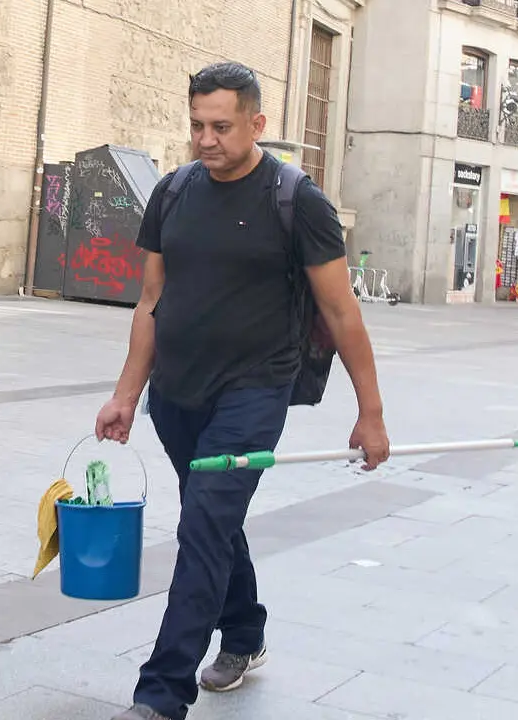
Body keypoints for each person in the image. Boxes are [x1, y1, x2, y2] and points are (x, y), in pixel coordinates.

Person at [94, 61, 390, 720]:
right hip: (176, 393)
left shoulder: (297, 200)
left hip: (255, 392)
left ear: (257, 123)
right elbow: (150, 299)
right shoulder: (172, 191)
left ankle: (161, 694)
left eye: (221, 127)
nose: (206, 139)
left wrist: (370, 413)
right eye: (197, 125)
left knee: (202, 526)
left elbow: (341, 311)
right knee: (213, 519)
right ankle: (246, 632)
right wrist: (126, 395)